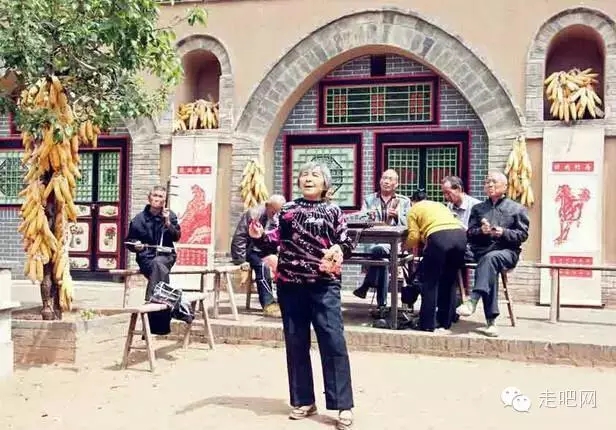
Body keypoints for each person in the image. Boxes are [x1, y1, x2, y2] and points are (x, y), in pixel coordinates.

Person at [249, 161, 356, 430]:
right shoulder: (287, 210)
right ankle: (304, 400)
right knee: (296, 342)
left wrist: (339, 250)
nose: (308, 178)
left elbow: (346, 241)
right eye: (304, 174)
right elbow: (271, 240)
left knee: (333, 341)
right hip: (290, 284)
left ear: (325, 184)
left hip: (324, 285)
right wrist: (259, 236)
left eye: (315, 175)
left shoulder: (333, 211)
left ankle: (343, 405)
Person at [456, 171, 530, 337]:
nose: (489, 185)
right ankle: (489, 321)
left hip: (507, 252)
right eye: (487, 182)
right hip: (482, 251)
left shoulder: (517, 209)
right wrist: (481, 231)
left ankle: (473, 300)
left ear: (505, 187)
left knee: (490, 259)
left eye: (494, 182)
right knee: (484, 262)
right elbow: (470, 233)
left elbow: (523, 235)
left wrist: (504, 232)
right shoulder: (478, 209)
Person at [405, 189, 466, 332]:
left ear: (412, 201)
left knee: (430, 282)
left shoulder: (413, 210)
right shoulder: (439, 205)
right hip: (460, 236)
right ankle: (446, 321)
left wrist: (405, 246)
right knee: (449, 280)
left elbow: (414, 236)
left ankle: (427, 324)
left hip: (439, 238)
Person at [124, 185, 181, 334]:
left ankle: (151, 302)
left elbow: (176, 237)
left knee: (159, 264)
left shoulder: (170, 216)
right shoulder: (139, 219)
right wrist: (136, 245)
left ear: (165, 200)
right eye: (155, 195)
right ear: (149, 198)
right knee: (157, 267)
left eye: (161, 196)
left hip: (166, 256)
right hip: (146, 258)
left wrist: (168, 223)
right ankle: (160, 318)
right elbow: (129, 241)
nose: (157, 199)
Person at [353, 169, 411, 312]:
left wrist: (397, 216)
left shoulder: (404, 201)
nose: (386, 181)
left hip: (394, 243)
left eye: (390, 179)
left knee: (380, 252)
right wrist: (369, 216)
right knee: (382, 258)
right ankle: (381, 305)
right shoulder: (369, 199)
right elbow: (361, 218)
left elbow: (409, 224)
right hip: (373, 241)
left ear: (396, 184)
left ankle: (367, 286)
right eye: (384, 178)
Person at [231, 194, 286, 317]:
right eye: (273, 211)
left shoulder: (281, 217)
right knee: (262, 267)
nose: (275, 214)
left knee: (285, 266)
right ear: (267, 206)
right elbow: (240, 237)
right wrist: (241, 260)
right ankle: (268, 304)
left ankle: (285, 302)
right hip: (251, 251)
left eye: (279, 211)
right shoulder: (253, 214)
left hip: (267, 251)